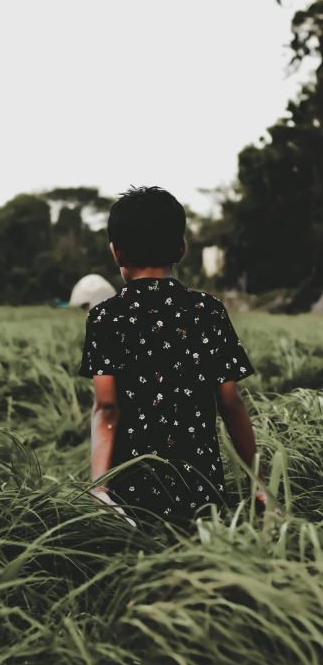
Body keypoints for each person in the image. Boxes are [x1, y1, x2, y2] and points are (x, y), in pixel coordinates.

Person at [77, 185, 268, 532]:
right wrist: (260, 482)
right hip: (200, 485)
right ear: (181, 249)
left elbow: (106, 408)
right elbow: (231, 403)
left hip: (131, 489)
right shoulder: (208, 311)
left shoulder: (105, 317)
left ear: (116, 253)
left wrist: (100, 487)